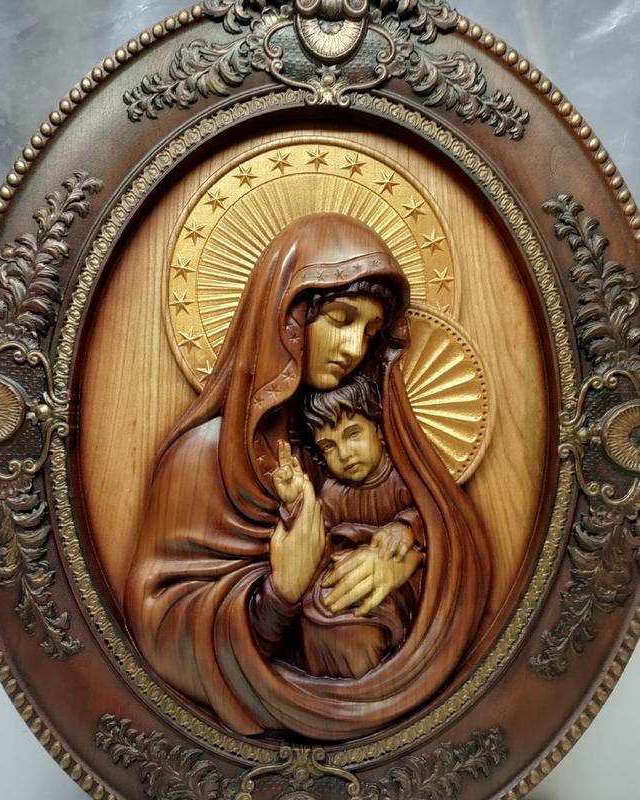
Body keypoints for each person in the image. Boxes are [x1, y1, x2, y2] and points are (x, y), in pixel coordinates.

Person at [124, 213, 491, 741]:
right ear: (288, 316)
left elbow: (452, 533)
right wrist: (280, 593)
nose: (355, 347)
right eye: (341, 320)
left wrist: (405, 554)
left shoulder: (365, 426)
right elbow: (161, 628)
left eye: (369, 333)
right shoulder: (202, 457)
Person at [271, 374, 426, 679]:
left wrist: (405, 529)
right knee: (317, 616)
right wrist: (294, 503)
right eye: (329, 446)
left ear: (378, 429)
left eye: (353, 434)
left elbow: (433, 516)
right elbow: (315, 538)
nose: (344, 454)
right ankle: (333, 688)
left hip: (392, 587)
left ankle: (369, 687)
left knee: (355, 628)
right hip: (339, 588)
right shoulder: (332, 492)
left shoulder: (404, 479)